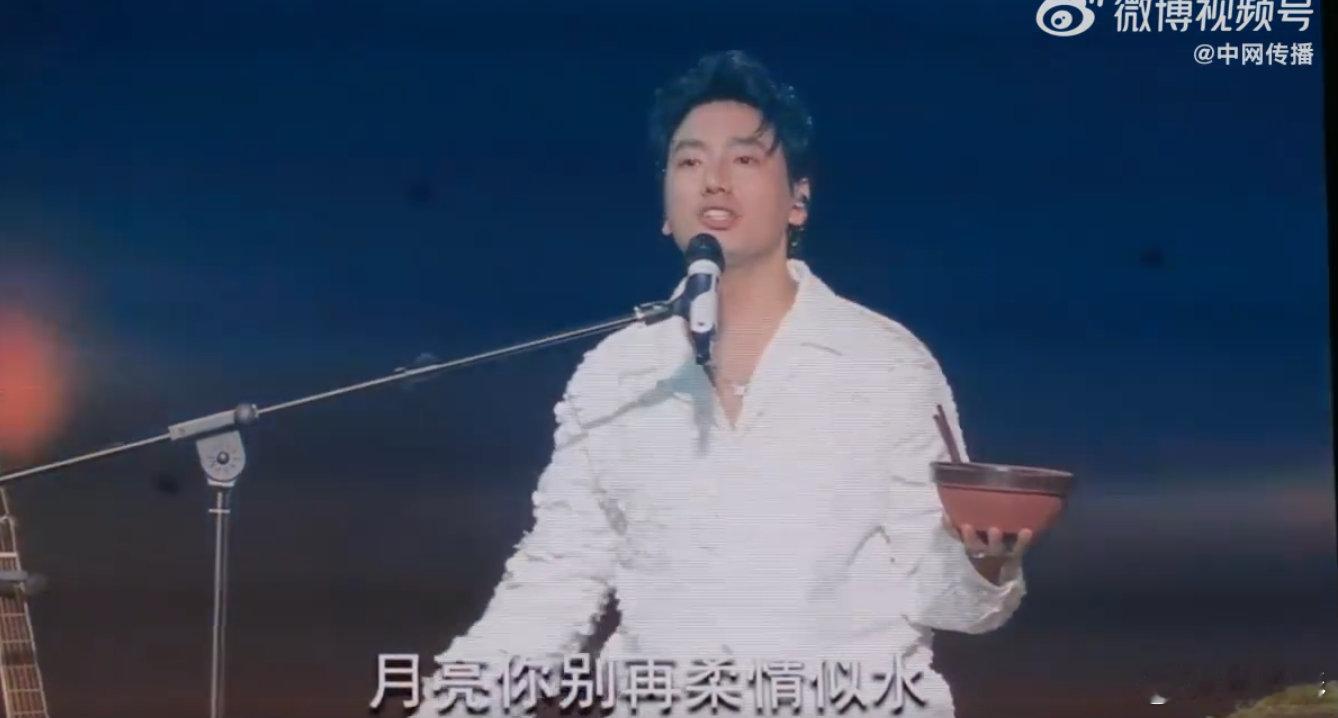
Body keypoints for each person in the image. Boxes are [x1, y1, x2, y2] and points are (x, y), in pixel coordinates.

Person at [414, 50, 1033, 717]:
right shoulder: (617, 373)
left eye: (744, 159)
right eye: (688, 162)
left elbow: (952, 601)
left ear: (799, 200)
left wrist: (985, 563)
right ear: (664, 207)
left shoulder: (885, 364)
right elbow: (554, 582)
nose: (713, 181)